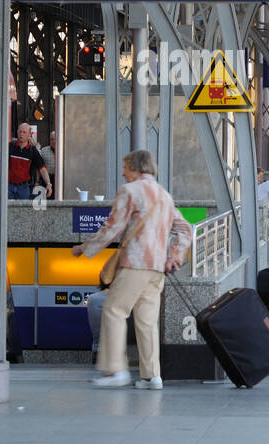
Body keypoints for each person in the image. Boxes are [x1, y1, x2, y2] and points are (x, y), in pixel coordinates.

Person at [72, 150, 192, 389]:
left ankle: (116, 370)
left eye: (126, 167)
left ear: (137, 168)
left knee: (114, 310)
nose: (123, 172)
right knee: (147, 321)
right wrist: (174, 257)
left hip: (135, 264)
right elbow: (185, 229)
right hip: (156, 268)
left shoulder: (130, 191)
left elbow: (112, 227)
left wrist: (85, 248)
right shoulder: (164, 195)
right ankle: (152, 376)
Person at [8, 123, 51, 200]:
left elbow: (42, 168)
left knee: (24, 210)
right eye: (20, 132)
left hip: (23, 188)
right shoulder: (10, 146)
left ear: (29, 134)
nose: (21, 134)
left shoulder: (32, 150)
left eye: (24, 132)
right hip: (8, 186)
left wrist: (48, 184)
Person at [39, 131, 58, 197]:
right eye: (52, 139)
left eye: (56, 139)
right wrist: (37, 181)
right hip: (47, 179)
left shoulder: (64, 150)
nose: (54, 141)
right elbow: (39, 167)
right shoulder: (43, 151)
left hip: (60, 180)